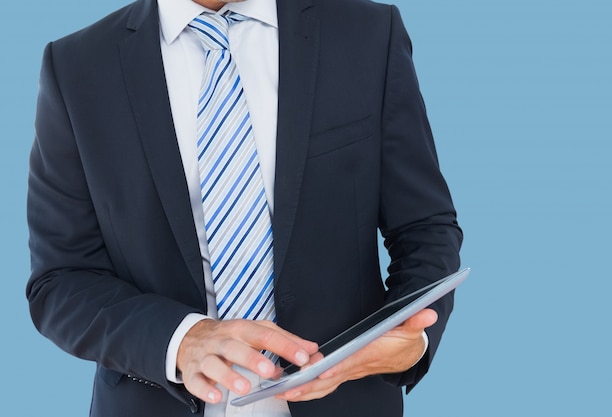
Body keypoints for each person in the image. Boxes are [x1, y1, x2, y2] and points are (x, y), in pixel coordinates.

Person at [26, 0, 463, 416]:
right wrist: (179, 340)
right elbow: (61, 280)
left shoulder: (367, 34)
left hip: (344, 401)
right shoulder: (77, 68)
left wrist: (412, 335)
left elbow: (425, 227)